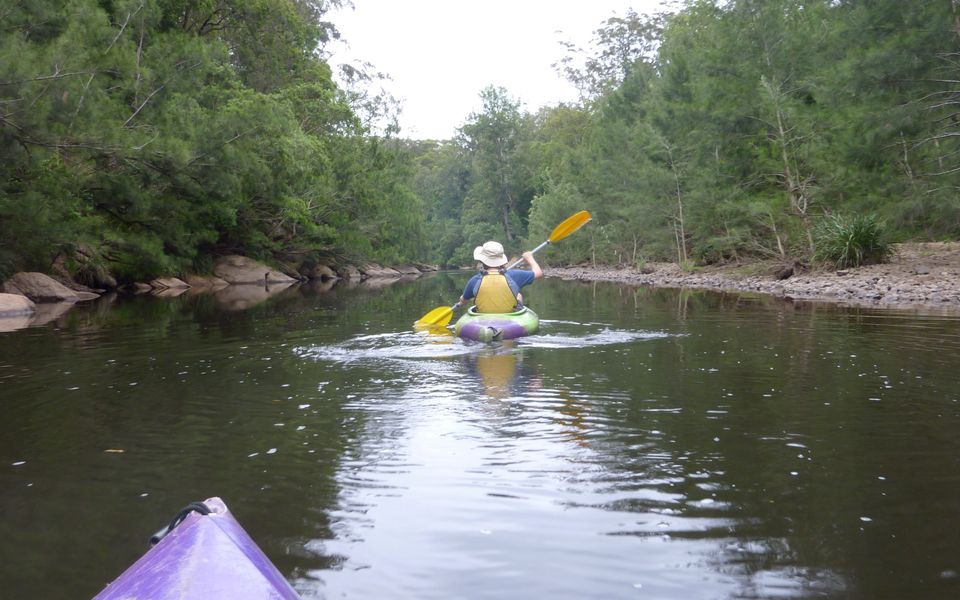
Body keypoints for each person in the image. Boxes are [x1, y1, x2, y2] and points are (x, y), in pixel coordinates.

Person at [458, 241, 542, 313]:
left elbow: (464, 300)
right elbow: (538, 273)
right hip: (510, 317)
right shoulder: (514, 275)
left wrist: (462, 300)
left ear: (481, 261)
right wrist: (530, 258)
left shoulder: (474, 280)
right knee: (518, 295)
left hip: (483, 319)